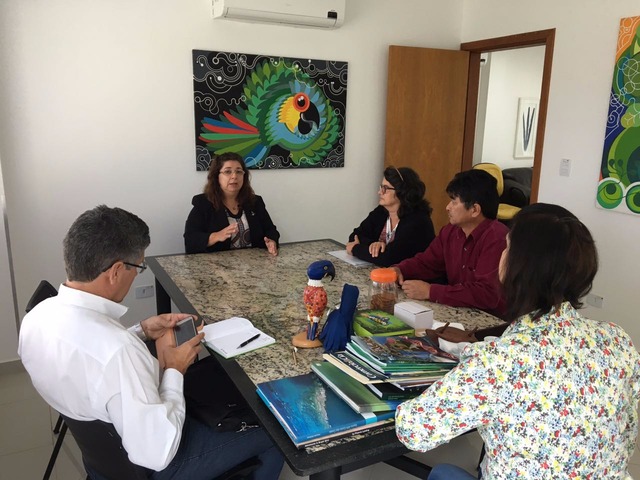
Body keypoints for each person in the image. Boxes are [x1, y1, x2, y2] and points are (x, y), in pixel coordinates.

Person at [18, 205, 284, 480]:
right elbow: (158, 453)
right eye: (138, 268)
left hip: (105, 457)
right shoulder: (120, 352)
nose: (136, 275)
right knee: (277, 433)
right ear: (116, 271)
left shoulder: (38, 316)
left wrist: (142, 330)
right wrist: (174, 370)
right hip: (154, 462)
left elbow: (89, 356)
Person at [395, 203, 640, 480]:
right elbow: (625, 422)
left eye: (507, 247)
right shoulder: (617, 340)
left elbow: (414, 431)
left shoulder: (498, 361)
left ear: (520, 266)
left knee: (442, 473)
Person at [390, 169, 508, 318]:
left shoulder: (497, 238)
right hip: (461, 313)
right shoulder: (451, 231)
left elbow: (486, 293)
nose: (447, 207)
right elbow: (428, 262)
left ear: (474, 210)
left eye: (454, 201)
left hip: (493, 322)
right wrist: (400, 270)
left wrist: (430, 291)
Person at [184, 152, 280, 255]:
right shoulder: (203, 203)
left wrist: (272, 241)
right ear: (217, 176)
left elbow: (271, 230)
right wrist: (216, 236)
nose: (234, 176)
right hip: (217, 267)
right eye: (228, 171)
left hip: (253, 264)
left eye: (238, 172)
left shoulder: (255, 202)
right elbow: (190, 241)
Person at [346, 166, 435, 267]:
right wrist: (374, 245)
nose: (380, 192)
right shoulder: (382, 211)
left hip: (414, 279)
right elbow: (355, 236)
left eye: (386, 188)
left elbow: (389, 258)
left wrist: (355, 249)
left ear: (402, 192)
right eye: (381, 187)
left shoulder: (418, 221)